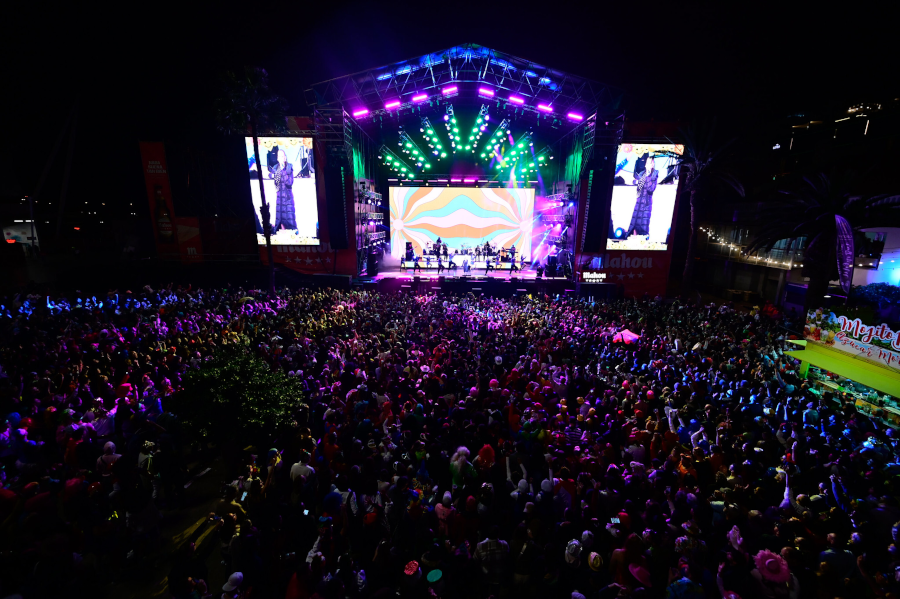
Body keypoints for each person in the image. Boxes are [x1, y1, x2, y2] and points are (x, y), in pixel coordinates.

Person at [627, 155, 657, 238]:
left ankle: (643, 241)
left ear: (653, 164)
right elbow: (638, 189)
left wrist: (648, 177)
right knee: (635, 222)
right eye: (647, 162)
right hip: (639, 202)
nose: (648, 164)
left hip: (646, 203)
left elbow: (651, 189)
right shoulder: (641, 174)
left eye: (650, 163)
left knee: (643, 224)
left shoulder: (655, 174)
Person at [272, 149, 297, 232]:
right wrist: (278, 172)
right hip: (279, 199)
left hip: (288, 198)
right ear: (277, 158)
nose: (281, 158)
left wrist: (284, 171)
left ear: (285, 158)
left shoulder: (289, 167)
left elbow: (289, 183)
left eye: (282, 156)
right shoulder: (275, 168)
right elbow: (276, 183)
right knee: (280, 220)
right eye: (279, 156)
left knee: (289, 220)